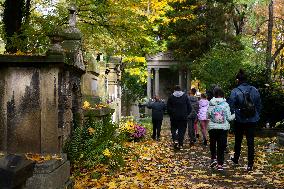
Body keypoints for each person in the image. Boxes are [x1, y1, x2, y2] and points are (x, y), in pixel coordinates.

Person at [228, 69, 262, 171]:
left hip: (239, 119)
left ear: (238, 80)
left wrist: (234, 115)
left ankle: (236, 158)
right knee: (250, 142)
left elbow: (230, 106)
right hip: (252, 119)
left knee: (238, 140)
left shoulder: (235, 91)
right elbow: (259, 105)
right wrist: (257, 115)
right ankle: (250, 164)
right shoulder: (254, 90)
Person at [207, 87, 235, 171]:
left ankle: (213, 158)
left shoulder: (211, 103)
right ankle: (220, 164)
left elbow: (208, 115)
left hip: (212, 127)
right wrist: (236, 114)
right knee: (221, 145)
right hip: (223, 128)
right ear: (222, 95)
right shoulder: (225, 104)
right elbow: (229, 118)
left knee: (212, 143)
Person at [167, 85, 192, 149]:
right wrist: (186, 114)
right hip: (183, 116)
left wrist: (171, 114)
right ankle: (180, 143)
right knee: (182, 130)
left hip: (174, 117)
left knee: (174, 128)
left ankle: (175, 139)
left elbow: (168, 108)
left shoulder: (171, 97)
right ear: (181, 90)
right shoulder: (185, 96)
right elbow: (189, 107)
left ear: (174, 90)